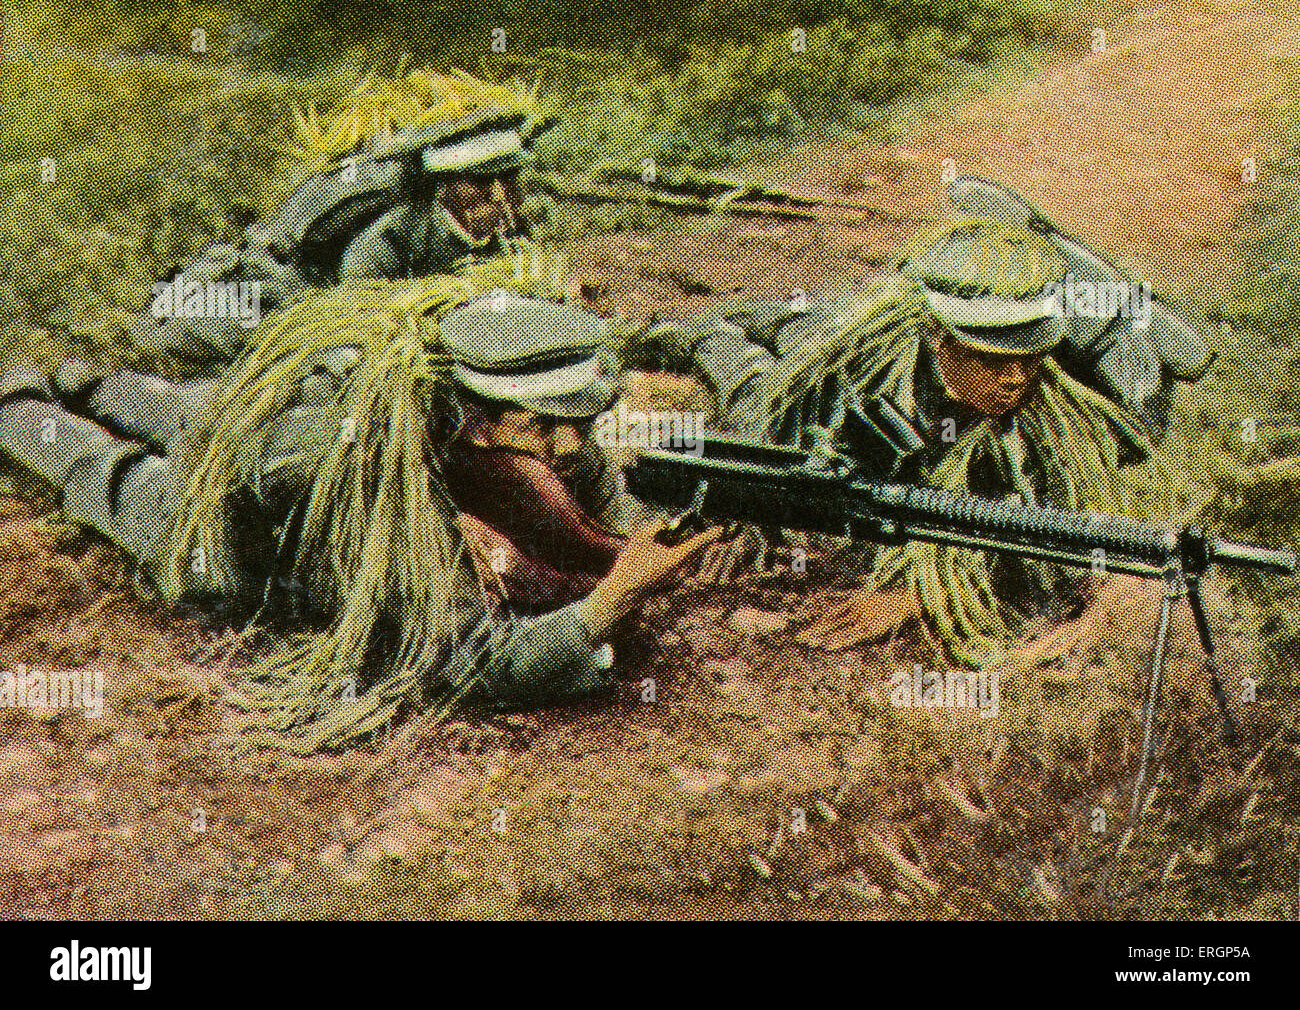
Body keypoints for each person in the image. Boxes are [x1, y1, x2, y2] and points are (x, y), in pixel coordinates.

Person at [0, 258, 717, 750]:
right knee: (116, 475)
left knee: (183, 409)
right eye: (543, 428)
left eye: (580, 423)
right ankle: (22, 400)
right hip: (246, 523)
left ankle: (88, 378)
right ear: (474, 416)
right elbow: (474, 663)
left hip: (271, 435)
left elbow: (599, 515)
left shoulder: (538, 436)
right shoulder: (391, 485)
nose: (568, 447)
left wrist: (630, 549)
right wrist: (605, 605)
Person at [686, 218, 1176, 658]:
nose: (1016, 378)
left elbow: (1030, 541)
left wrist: (916, 598)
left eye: (1028, 359)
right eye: (993, 360)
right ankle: (691, 332)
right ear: (942, 345)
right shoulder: (869, 373)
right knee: (751, 380)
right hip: (826, 367)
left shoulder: (1041, 425)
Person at [119, 68, 555, 369]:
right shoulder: (391, 232)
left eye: (506, 180)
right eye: (479, 184)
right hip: (283, 294)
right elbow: (359, 305)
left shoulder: (504, 224)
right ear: (445, 186)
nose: (498, 198)